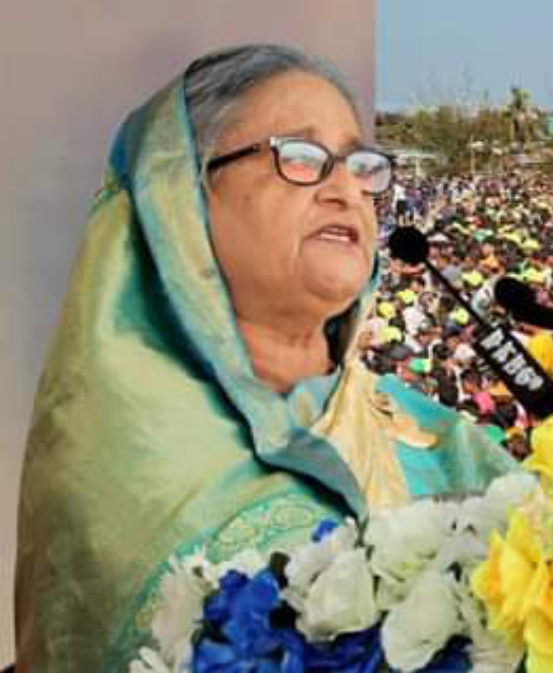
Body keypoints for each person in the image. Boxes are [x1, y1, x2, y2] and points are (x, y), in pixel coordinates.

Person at [15, 45, 516, 671]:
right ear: (182, 202)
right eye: (301, 157)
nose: (345, 190)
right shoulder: (121, 461)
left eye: (360, 166)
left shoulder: (439, 438)